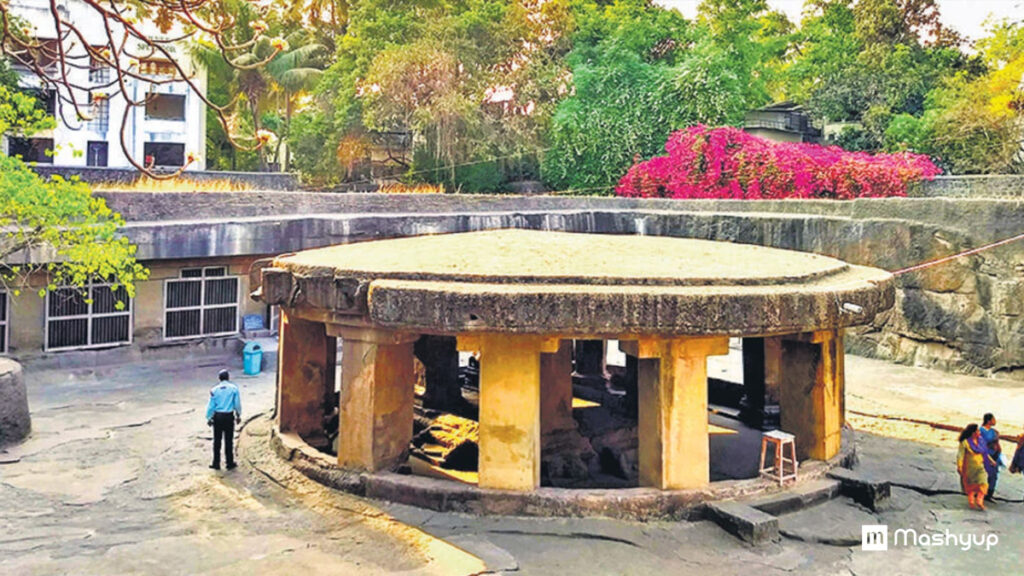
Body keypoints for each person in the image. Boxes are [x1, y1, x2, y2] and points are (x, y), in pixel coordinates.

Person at [206, 369, 242, 470]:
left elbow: (211, 406)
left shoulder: (214, 390)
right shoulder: (234, 389)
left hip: (218, 417)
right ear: (228, 377)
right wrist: (238, 415)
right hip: (228, 416)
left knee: (217, 440)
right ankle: (229, 463)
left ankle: (216, 463)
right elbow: (237, 404)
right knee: (228, 440)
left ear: (219, 378)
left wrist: (209, 417)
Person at [957, 424, 996, 510]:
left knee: (984, 483)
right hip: (969, 468)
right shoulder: (965, 443)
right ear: (973, 433)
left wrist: (991, 461)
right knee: (971, 485)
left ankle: (979, 500)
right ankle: (971, 501)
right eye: (978, 431)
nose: (979, 433)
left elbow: (985, 453)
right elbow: (960, 455)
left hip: (980, 467)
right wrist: (959, 466)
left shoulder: (981, 441)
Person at [980, 413, 1001, 501]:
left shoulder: (994, 431)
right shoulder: (981, 431)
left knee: (994, 475)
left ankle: (989, 493)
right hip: (986, 455)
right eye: (993, 419)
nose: (995, 421)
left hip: (995, 455)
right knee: (983, 474)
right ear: (989, 421)